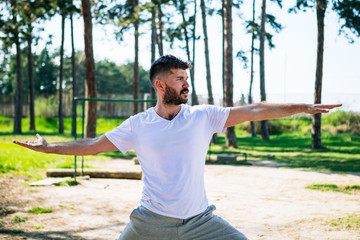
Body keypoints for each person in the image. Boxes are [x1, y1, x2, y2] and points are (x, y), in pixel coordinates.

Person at [13, 55, 341, 240]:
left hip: (201, 222)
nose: (187, 84)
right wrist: (50, 148)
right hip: (150, 223)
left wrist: (301, 106)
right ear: (160, 84)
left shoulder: (203, 117)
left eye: (187, 77)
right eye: (179, 78)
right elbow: (94, 145)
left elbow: (254, 110)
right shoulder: (138, 125)